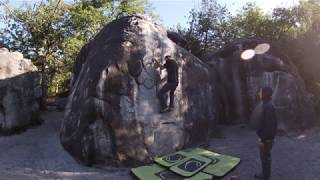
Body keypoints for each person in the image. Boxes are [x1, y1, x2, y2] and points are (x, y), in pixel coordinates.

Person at [255, 87, 277, 180]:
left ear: (264, 93)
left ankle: (265, 176)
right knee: (264, 157)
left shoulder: (268, 106)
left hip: (266, 138)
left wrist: (263, 139)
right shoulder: (266, 105)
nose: (259, 93)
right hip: (265, 137)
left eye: (260, 92)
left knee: (265, 158)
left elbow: (269, 125)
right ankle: (264, 174)